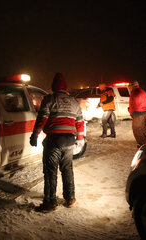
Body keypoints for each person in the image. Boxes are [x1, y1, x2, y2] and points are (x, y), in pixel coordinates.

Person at [30, 73, 85, 213]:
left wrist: (35, 135)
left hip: (54, 140)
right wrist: (80, 139)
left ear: (53, 86)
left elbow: (42, 118)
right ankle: (70, 198)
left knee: (50, 171)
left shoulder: (49, 99)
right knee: (67, 169)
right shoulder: (73, 102)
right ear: (65, 87)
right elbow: (79, 122)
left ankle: (50, 202)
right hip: (69, 140)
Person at [128, 80, 146, 148]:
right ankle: (144, 143)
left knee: (137, 130)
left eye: (129, 86)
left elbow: (133, 104)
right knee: (143, 129)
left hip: (137, 114)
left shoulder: (134, 93)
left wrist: (131, 112)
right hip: (144, 113)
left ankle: (142, 145)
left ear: (133, 85)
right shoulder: (143, 92)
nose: (129, 88)